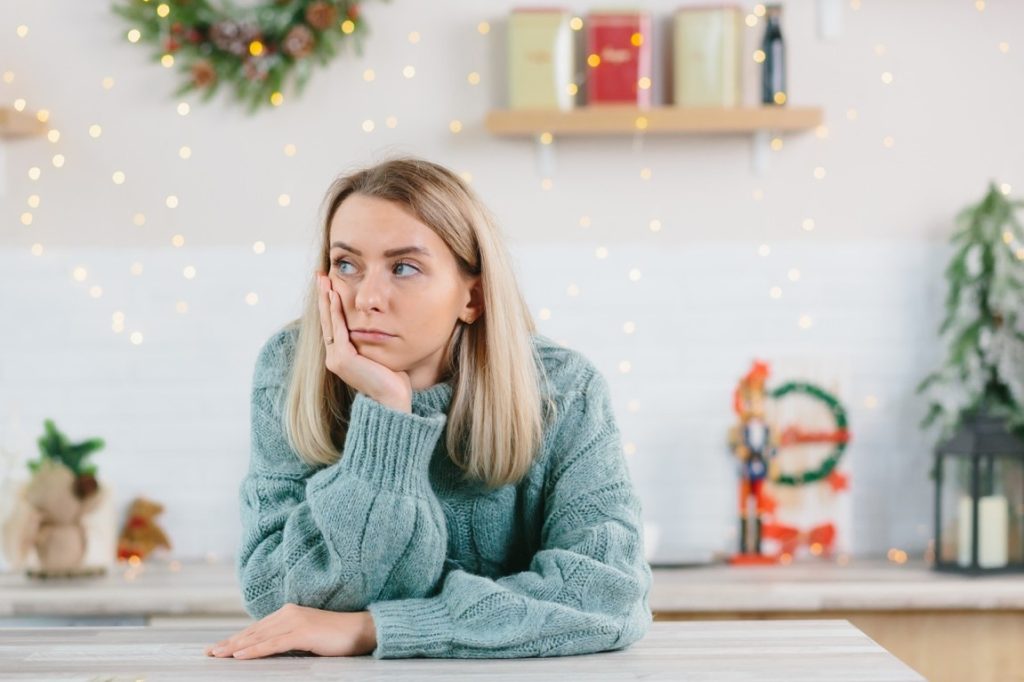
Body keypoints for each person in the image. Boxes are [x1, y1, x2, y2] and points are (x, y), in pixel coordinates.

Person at [205, 156, 653, 660]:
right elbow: (276, 593)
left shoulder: (565, 389)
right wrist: (387, 416)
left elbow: (608, 594)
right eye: (346, 265)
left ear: (473, 297)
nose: (366, 298)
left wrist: (376, 629)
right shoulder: (290, 369)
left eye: (404, 267)